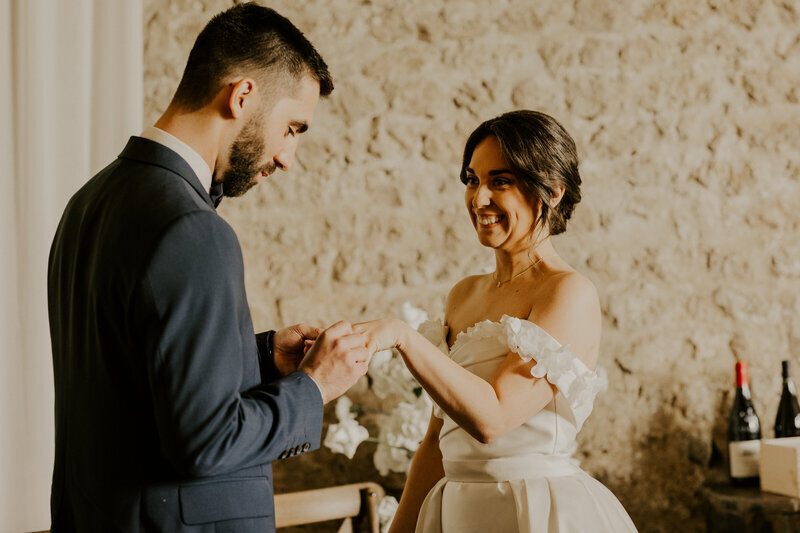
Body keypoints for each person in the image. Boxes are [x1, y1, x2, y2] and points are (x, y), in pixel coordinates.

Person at [47, 5, 370, 532]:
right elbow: (204, 442)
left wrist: (261, 358)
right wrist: (315, 386)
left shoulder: (87, 204)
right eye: (291, 128)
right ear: (242, 96)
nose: (288, 156)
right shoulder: (194, 229)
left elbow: (132, 376)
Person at [356, 110, 638, 532]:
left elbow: (493, 419)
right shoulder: (463, 294)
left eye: (500, 182)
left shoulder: (568, 293)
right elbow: (437, 440)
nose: (478, 198)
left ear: (553, 192)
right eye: (472, 180)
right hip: (454, 514)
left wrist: (403, 337)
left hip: (534, 514)